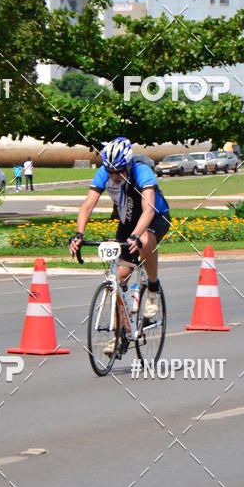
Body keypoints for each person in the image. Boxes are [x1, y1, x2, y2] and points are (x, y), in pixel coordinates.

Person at [69, 137, 170, 353]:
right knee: (119, 277)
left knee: (145, 241)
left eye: (119, 171)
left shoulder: (142, 172)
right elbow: (87, 206)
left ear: (129, 164)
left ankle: (153, 288)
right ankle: (120, 333)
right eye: (110, 171)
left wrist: (136, 235)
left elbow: (149, 209)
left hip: (155, 217)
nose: (114, 176)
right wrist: (79, 234)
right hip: (128, 221)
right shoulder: (104, 173)